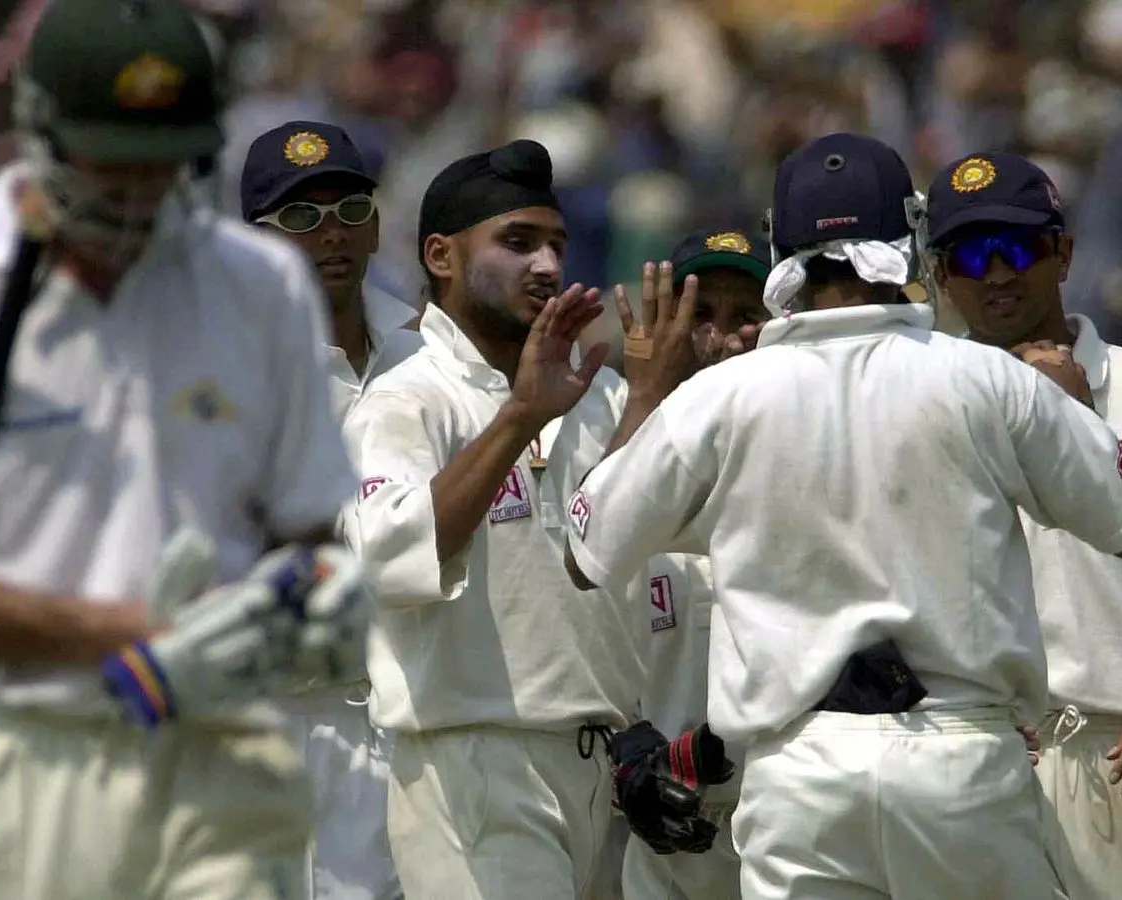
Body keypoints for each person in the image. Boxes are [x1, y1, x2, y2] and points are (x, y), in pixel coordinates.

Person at [563, 131, 1122, 900]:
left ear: (782, 251)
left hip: (799, 775)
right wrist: (1081, 420)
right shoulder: (990, 380)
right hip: (961, 762)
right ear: (910, 237)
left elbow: (586, 547)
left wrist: (649, 399)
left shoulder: (722, 396)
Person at [0, 0, 357, 897]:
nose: (138, 191)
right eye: (111, 161)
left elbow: (308, 533)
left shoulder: (259, 284)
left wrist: (316, 606)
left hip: (221, 755)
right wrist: (128, 638)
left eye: (162, 164)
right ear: (39, 133)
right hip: (19, 756)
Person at [341, 138, 642, 899]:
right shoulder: (406, 397)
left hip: (605, 768)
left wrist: (648, 399)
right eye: (518, 243)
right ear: (441, 255)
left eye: (556, 246)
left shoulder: (597, 394)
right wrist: (516, 420)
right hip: (472, 766)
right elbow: (383, 559)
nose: (546, 265)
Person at [925, 150, 1122, 900]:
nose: (999, 273)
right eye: (973, 255)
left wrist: (1081, 431)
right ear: (942, 276)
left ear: (1064, 253)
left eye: (1020, 247)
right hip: (982, 762)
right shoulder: (920, 411)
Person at [241, 120, 420, 900]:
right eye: (300, 219)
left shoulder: (430, 352)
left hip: (397, 713)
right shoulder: (230, 366)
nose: (331, 236)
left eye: (349, 211)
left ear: (378, 222)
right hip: (263, 713)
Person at [616, 227, 771, 900]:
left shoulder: (813, 450)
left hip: (792, 821)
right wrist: (627, 753)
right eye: (699, 315)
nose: (722, 337)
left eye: (747, 318)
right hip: (665, 833)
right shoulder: (613, 457)